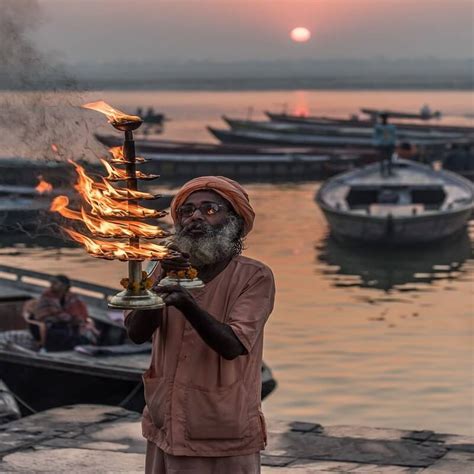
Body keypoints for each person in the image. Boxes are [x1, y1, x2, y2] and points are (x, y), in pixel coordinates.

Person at [125, 176, 275, 474]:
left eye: (209, 210)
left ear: (233, 222)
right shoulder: (163, 267)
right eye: (186, 211)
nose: (194, 217)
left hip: (222, 428)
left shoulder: (254, 276)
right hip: (165, 421)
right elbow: (136, 333)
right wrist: (159, 284)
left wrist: (187, 304)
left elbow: (232, 345)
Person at [28, 274, 98, 351]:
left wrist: (78, 318)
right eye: (52, 283)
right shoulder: (47, 296)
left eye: (55, 283)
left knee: (83, 333)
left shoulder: (71, 296)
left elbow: (78, 309)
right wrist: (70, 318)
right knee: (62, 334)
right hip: (47, 323)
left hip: (64, 322)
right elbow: (52, 313)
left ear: (64, 286)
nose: (52, 285)